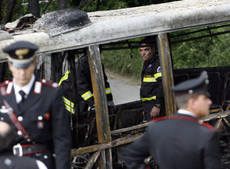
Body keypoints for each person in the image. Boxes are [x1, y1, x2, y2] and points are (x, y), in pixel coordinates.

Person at [122, 71, 221, 169]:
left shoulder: (156, 128)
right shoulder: (206, 135)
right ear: (192, 102)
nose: (209, 102)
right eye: (205, 98)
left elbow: (131, 155)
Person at [0, 41, 71, 169]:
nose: (22, 73)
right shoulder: (2, 94)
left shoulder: (50, 93)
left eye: (26, 66)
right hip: (7, 163)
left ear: (34, 63)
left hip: (41, 162)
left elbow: (62, 140)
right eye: (17, 67)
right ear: (10, 65)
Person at [139, 36, 164, 121]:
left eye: (146, 49)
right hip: (148, 105)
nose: (143, 53)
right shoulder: (146, 63)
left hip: (154, 105)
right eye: (141, 50)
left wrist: (157, 105)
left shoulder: (156, 64)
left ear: (153, 50)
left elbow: (162, 84)